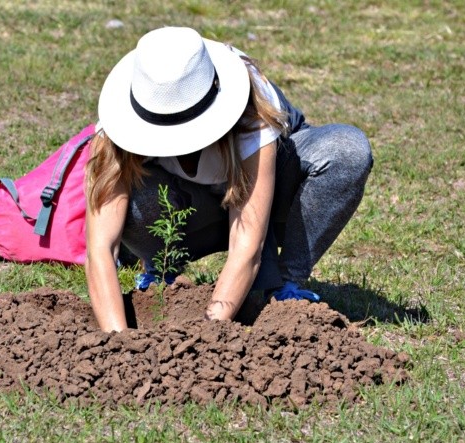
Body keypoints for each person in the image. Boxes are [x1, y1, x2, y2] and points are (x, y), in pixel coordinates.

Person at [84, 27, 373, 332]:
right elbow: (100, 248)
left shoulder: (251, 107)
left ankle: (287, 288)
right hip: (193, 211)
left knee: (347, 149)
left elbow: (247, 244)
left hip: (269, 197)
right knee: (137, 201)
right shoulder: (116, 127)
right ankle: (163, 269)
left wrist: (205, 334)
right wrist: (117, 341)